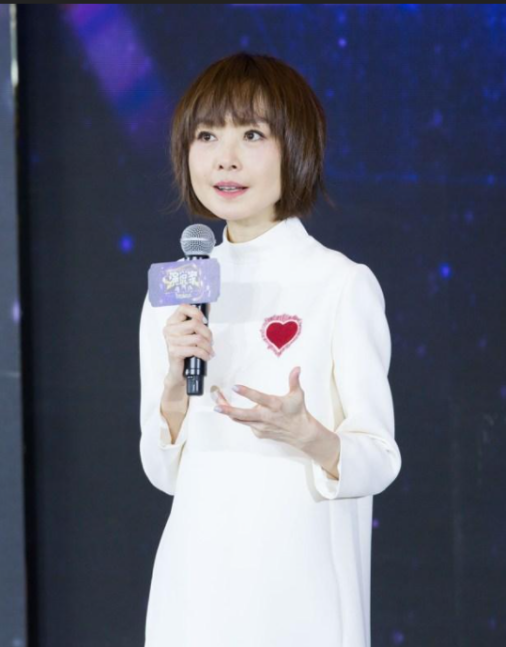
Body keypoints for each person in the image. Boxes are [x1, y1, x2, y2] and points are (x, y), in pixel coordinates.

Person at [138, 51, 402, 647]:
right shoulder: (175, 291)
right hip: (194, 590)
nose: (225, 158)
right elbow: (162, 471)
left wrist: (307, 435)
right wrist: (175, 390)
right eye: (207, 136)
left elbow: (380, 458)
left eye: (252, 135)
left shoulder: (340, 283)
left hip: (300, 592)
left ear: (296, 148)